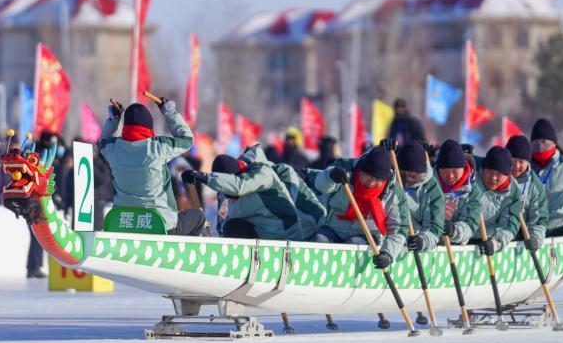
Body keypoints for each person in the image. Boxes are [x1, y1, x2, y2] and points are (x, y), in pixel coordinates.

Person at [100, 97, 204, 236]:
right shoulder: (157, 147)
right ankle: (182, 255)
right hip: (160, 225)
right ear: (149, 127)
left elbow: (103, 142)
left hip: (123, 222)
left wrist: (114, 120)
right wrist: (170, 113)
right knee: (198, 217)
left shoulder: (114, 149)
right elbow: (187, 140)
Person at [183, 146, 324, 241]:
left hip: (286, 236)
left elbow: (240, 186)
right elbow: (222, 225)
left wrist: (204, 177)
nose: (228, 196)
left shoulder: (262, 173)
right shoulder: (224, 192)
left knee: (234, 227)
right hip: (261, 234)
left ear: (238, 174)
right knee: (230, 227)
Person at [312, 147, 407, 269]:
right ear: (360, 170)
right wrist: (330, 176)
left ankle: (346, 276)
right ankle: (317, 271)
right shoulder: (345, 169)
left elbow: (398, 228)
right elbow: (320, 186)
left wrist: (388, 254)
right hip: (334, 228)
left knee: (352, 246)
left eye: (378, 179)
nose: (371, 182)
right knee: (319, 240)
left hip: (367, 237)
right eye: (368, 175)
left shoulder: (395, 193)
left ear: (384, 180)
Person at [396, 141, 444, 254]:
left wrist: (423, 241)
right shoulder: (390, 180)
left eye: (413, 175)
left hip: (414, 243)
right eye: (404, 174)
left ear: (421, 172)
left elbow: (434, 227)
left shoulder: (431, 187)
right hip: (387, 241)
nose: (407, 178)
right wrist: (382, 151)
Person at [473, 146, 521, 256]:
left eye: (499, 174)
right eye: (489, 171)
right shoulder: (472, 177)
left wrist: (495, 243)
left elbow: (509, 226)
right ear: (483, 169)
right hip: (458, 239)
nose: (493, 178)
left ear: (507, 175)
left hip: (486, 241)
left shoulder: (514, 192)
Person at [434, 139, 481, 245]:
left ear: (463, 168)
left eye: (454, 171)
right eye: (445, 171)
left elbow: (470, 224)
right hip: (428, 246)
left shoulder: (473, 191)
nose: (450, 176)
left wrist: (453, 230)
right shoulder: (429, 185)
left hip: (456, 249)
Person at [505, 135, 548, 250]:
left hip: (521, 235)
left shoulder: (535, 185)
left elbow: (539, 219)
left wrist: (535, 238)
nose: (516, 166)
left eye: (521, 161)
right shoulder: (496, 176)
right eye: (513, 160)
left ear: (528, 162)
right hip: (496, 233)